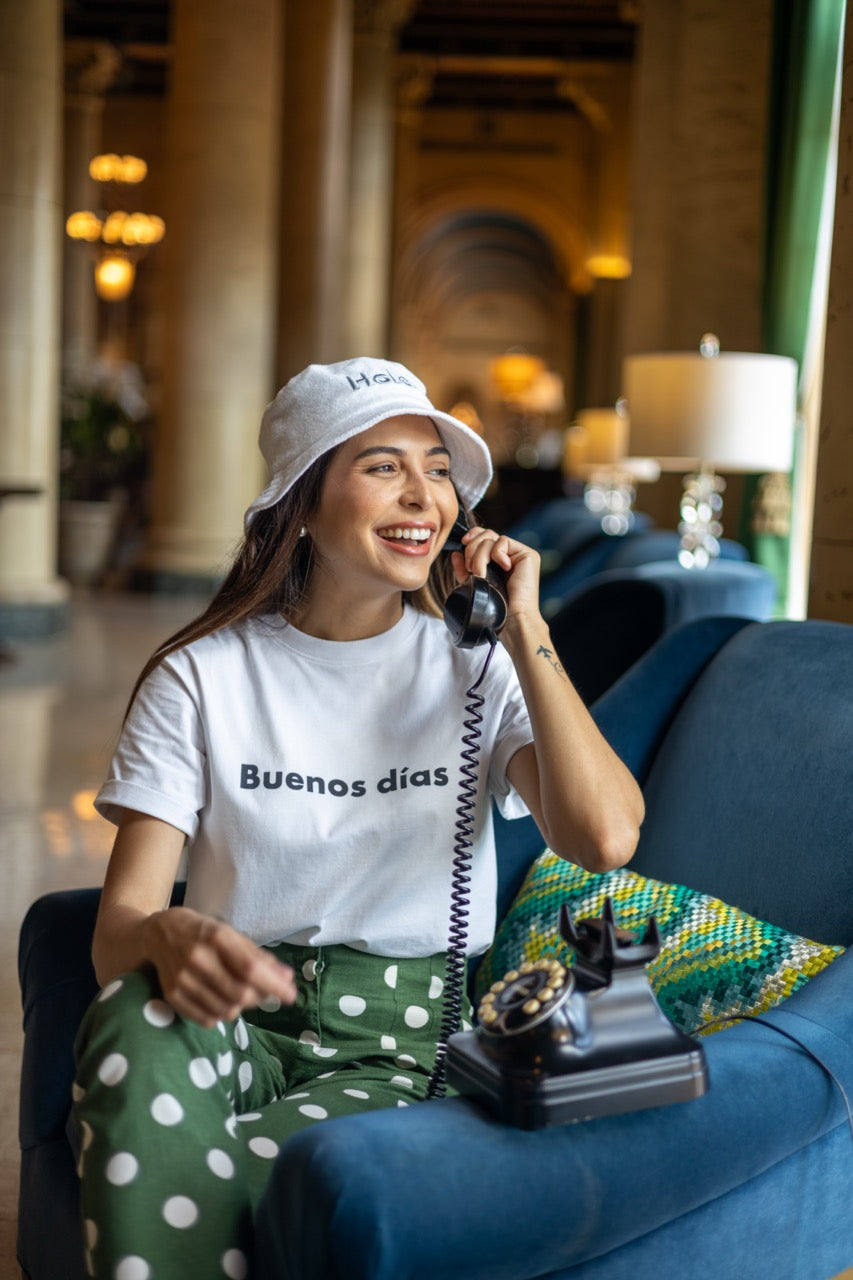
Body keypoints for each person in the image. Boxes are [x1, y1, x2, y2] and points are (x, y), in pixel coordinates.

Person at [71, 356, 644, 1279]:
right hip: (225, 1007)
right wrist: (169, 938)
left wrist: (522, 630)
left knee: (269, 1178)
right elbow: (115, 938)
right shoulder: (200, 676)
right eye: (382, 466)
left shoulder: (476, 671)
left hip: (390, 1045)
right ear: (300, 501)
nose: (424, 495)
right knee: (133, 1018)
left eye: (437, 468)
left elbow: (604, 837)